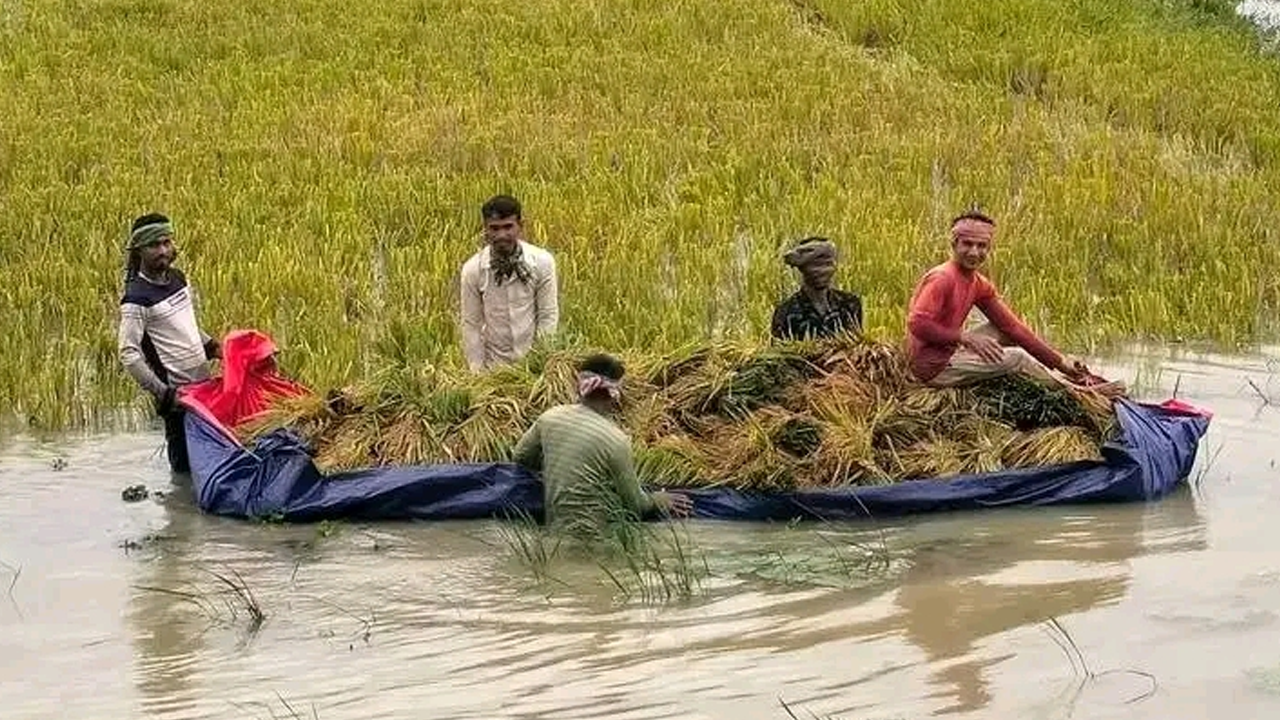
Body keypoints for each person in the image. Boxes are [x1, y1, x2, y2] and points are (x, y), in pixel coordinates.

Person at [905, 211, 1124, 396]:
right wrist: (965, 338)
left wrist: (1061, 363)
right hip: (932, 368)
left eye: (982, 246)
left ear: (989, 248)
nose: (974, 252)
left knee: (1004, 331)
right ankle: (1079, 392)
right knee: (1017, 359)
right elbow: (917, 323)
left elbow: (1014, 328)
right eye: (967, 244)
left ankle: (1064, 375)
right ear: (954, 244)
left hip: (949, 351)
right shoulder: (942, 277)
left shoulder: (978, 283)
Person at [512, 353, 692, 540]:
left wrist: (557, 466)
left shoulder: (550, 417)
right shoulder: (616, 440)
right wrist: (659, 499)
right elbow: (636, 506)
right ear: (614, 394)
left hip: (555, 534)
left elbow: (520, 456)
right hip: (596, 541)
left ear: (579, 385)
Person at [117, 213, 221, 473]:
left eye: (166, 242)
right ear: (139, 250)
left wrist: (215, 348)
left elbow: (187, 326)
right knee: (184, 469)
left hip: (204, 390)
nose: (163, 250)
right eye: (154, 245)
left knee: (211, 459)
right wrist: (164, 394)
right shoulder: (137, 299)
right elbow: (129, 353)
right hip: (178, 400)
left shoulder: (177, 278)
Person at [459, 195, 559, 372]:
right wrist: (478, 374)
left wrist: (539, 364)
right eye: (494, 228)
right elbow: (471, 325)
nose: (501, 235)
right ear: (485, 229)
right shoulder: (473, 270)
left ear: (520, 226)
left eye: (508, 227)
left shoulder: (542, 263)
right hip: (494, 368)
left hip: (533, 364)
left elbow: (547, 315)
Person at [771, 237, 863, 341]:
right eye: (815, 266)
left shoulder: (849, 304)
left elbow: (858, 345)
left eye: (827, 265)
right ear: (803, 269)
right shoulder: (786, 311)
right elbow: (779, 349)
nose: (822, 272)